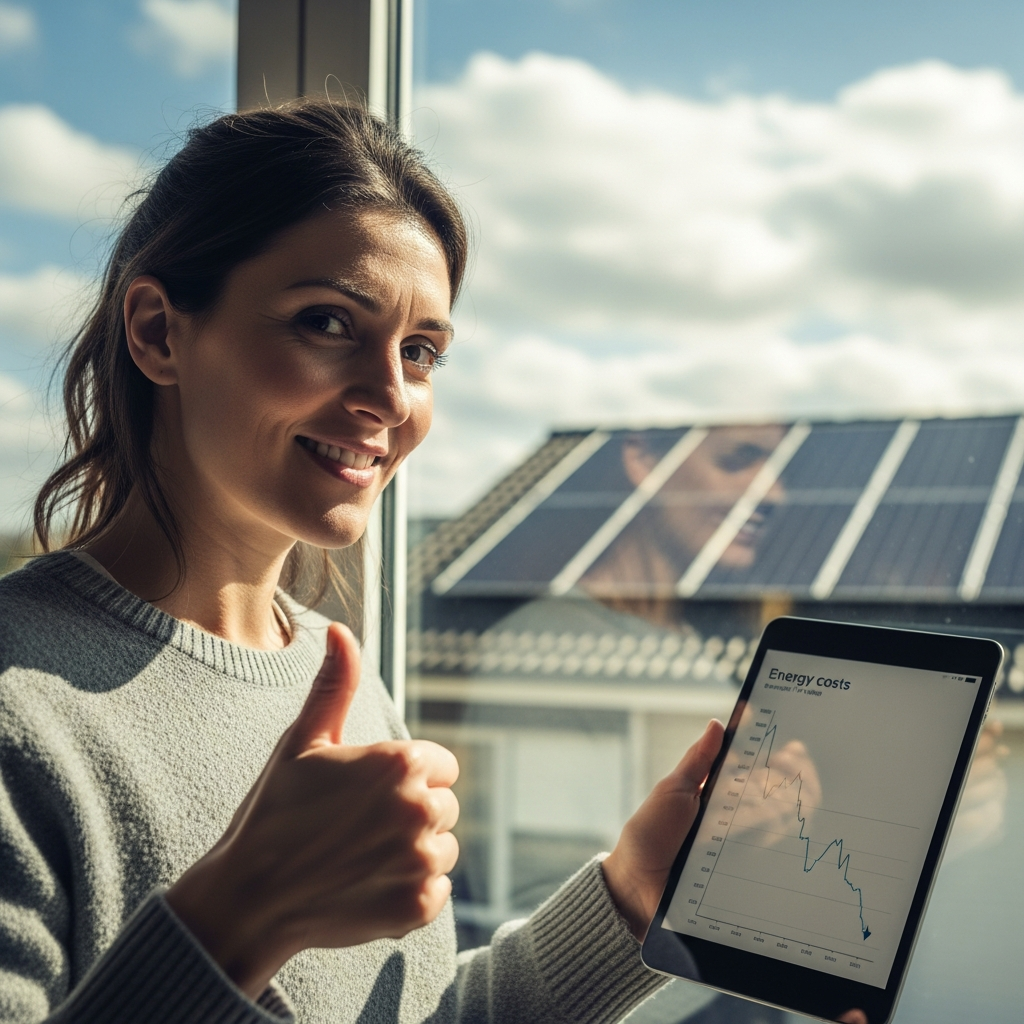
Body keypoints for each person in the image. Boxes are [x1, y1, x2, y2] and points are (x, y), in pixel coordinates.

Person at [0, 100, 729, 1024]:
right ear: (157, 332)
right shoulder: (20, 707)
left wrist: (627, 902)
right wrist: (238, 917)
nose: (391, 396)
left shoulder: (335, 675)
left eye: (420, 352)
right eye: (328, 322)